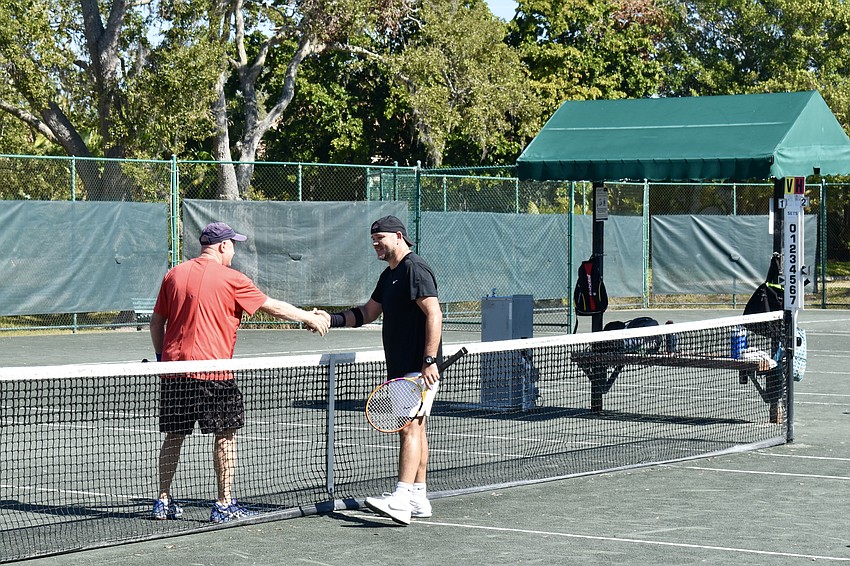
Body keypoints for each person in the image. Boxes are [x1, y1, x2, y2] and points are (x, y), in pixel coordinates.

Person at [149, 221, 329, 523]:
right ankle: (223, 504)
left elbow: (157, 323)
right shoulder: (232, 279)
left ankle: (162, 501)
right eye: (233, 244)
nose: (234, 250)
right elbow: (271, 307)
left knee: (174, 437)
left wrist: (161, 359)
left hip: (174, 372)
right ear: (222, 246)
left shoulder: (173, 275)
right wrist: (307, 317)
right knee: (226, 436)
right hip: (214, 375)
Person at [319, 215, 442, 526]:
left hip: (418, 367)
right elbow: (367, 313)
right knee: (418, 428)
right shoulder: (389, 276)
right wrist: (329, 319)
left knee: (408, 428)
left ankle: (400, 498)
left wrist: (429, 359)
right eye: (372, 239)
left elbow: (434, 312)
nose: (375, 243)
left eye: (380, 238)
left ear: (398, 237)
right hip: (402, 367)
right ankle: (418, 496)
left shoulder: (415, 268)